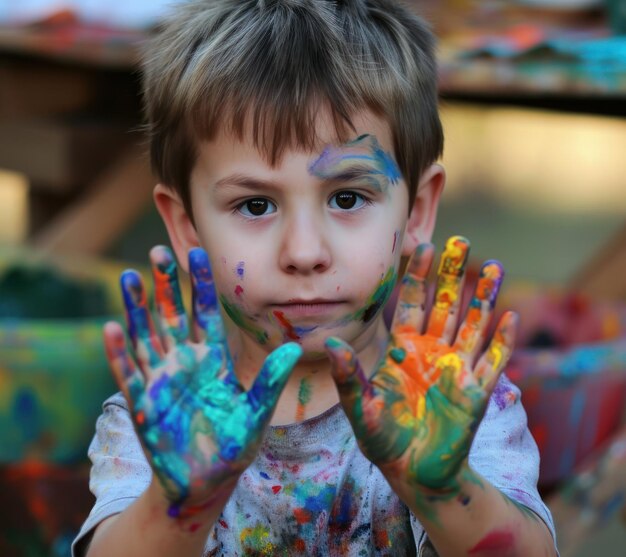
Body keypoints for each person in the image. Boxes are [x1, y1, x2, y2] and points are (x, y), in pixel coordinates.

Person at [72, 0, 558, 555]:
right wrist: (179, 506)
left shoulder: (455, 408)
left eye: (347, 198)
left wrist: (445, 492)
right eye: (255, 206)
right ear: (187, 228)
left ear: (417, 211)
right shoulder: (165, 423)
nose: (304, 253)